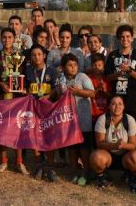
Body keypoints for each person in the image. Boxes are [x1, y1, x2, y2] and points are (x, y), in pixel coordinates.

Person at [0, 28, 28, 174]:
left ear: (14, 38)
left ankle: (19, 162)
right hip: (1, 96)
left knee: (18, 128)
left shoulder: (21, 55)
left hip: (17, 98)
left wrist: (21, 87)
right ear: (1, 39)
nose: (7, 40)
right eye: (4, 37)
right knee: (2, 129)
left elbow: (24, 74)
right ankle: (3, 161)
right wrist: (1, 84)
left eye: (10, 37)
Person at [89, 95, 136, 192]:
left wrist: (123, 145)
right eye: (113, 104)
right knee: (96, 156)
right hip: (108, 155)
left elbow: (133, 145)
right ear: (109, 106)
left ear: (124, 106)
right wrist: (115, 145)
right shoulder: (103, 119)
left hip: (125, 155)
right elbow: (99, 144)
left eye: (120, 104)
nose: (117, 107)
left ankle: (133, 179)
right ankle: (102, 178)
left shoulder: (129, 119)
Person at [24, 44, 59, 182]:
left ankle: (49, 166)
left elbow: (57, 89)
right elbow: (26, 88)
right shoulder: (28, 70)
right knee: (35, 135)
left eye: (39, 54)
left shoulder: (52, 71)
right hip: (33, 108)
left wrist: (49, 96)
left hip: (48, 108)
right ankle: (39, 164)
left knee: (49, 135)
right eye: (33, 55)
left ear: (44, 55)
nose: (36, 57)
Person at [60, 53, 95, 186]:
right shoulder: (62, 79)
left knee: (84, 148)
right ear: (63, 67)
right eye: (70, 65)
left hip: (83, 120)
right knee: (72, 148)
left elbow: (92, 93)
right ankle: (75, 172)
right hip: (68, 121)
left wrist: (78, 92)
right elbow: (58, 93)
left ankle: (86, 172)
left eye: (75, 65)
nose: (73, 67)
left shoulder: (82, 77)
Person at [105, 24, 136, 121]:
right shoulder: (113, 55)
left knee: (134, 130)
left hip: (134, 99)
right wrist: (119, 74)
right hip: (117, 99)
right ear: (118, 39)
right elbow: (107, 77)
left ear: (132, 38)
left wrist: (129, 70)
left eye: (128, 36)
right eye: (122, 37)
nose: (125, 39)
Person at [87, 52, 111, 124]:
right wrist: (97, 89)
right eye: (94, 65)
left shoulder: (107, 79)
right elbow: (87, 95)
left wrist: (105, 91)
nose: (97, 67)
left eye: (99, 65)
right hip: (91, 115)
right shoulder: (88, 79)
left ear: (104, 66)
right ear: (91, 66)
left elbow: (110, 97)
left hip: (105, 116)